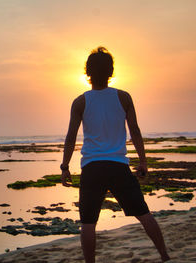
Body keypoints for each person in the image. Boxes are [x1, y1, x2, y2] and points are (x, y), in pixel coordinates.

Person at [60, 47, 170, 262]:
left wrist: (65, 167)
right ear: (110, 72)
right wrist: (143, 162)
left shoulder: (80, 102)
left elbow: (71, 137)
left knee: (88, 223)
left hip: (92, 167)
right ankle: (165, 257)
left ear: (88, 72)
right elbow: (135, 130)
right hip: (118, 165)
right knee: (144, 214)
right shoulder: (123, 97)